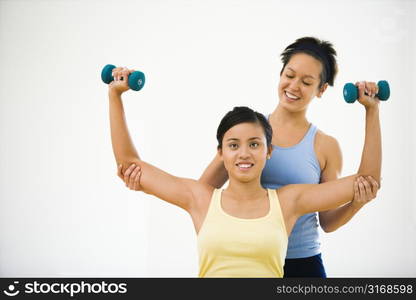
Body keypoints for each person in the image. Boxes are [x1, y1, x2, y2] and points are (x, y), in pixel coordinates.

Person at [118, 37, 380, 277]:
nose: (294, 86)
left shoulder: (324, 147)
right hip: (242, 252)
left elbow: (329, 220)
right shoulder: (249, 135)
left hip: (302, 260)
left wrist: (359, 200)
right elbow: (203, 195)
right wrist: (142, 181)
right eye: (289, 75)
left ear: (321, 89)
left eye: (307, 82)